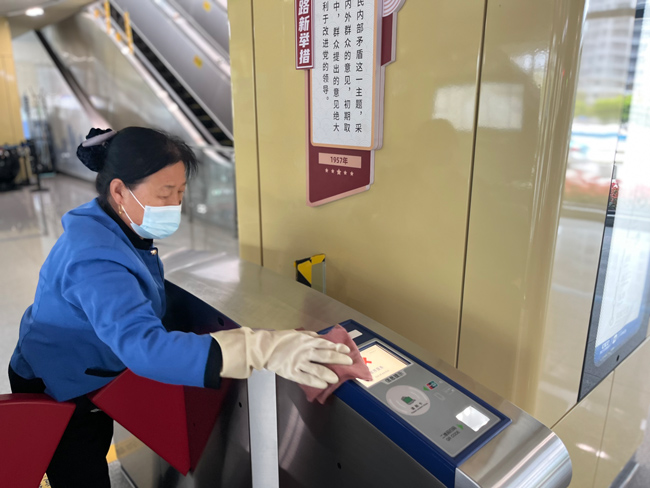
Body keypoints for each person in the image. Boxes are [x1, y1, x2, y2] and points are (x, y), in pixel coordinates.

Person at [8, 127, 352, 488]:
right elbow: (145, 348)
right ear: (120, 191)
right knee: (80, 471)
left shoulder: (112, 223)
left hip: (86, 367)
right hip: (58, 380)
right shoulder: (95, 259)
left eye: (181, 192)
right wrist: (260, 348)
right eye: (164, 193)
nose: (175, 204)